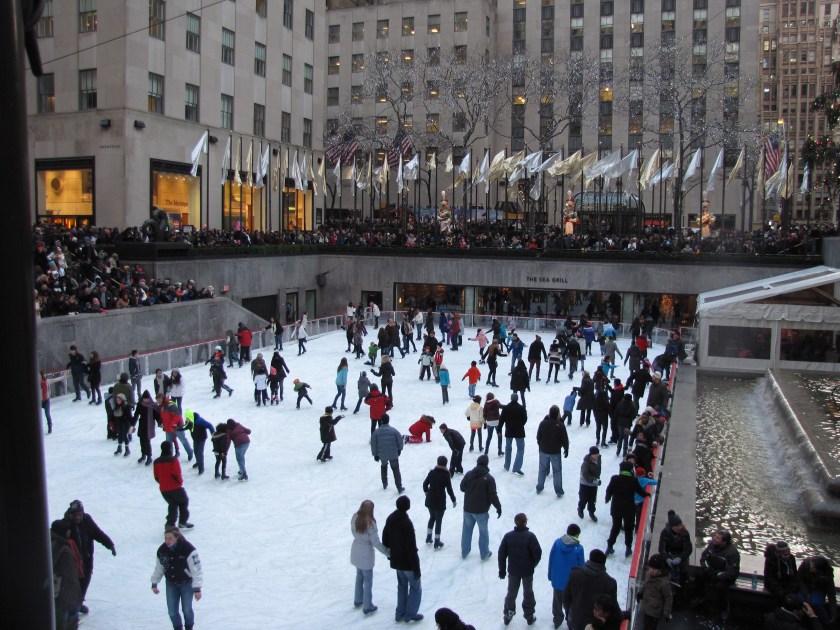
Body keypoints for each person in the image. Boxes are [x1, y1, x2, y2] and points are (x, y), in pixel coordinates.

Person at [63, 500, 115, 615]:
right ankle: (73, 610)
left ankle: (78, 603)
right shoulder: (66, 524)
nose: (77, 518)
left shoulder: (87, 521)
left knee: (84, 584)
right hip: (73, 563)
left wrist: (109, 544)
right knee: (73, 586)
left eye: (79, 515)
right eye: (75, 515)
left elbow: (97, 533)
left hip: (86, 560)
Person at [151, 526, 203, 630]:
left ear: (177, 537)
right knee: (172, 612)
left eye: (170, 538)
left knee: (187, 609)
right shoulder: (162, 551)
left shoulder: (188, 549)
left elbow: (196, 570)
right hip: (171, 584)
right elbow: (159, 567)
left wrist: (197, 589)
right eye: (165, 538)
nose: (167, 541)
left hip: (186, 583)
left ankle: (189, 627)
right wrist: (154, 583)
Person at [382, 496, 423, 623]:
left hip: (397, 562)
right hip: (407, 563)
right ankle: (409, 614)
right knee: (415, 588)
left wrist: (390, 553)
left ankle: (399, 613)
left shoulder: (390, 518)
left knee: (402, 586)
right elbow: (411, 548)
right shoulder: (406, 523)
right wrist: (416, 568)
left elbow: (385, 538)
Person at [499, 513, 542, 627]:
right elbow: (537, 553)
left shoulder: (508, 536)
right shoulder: (530, 536)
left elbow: (501, 554)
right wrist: (532, 564)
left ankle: (508, 614)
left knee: (511, 593)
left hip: (513, 570)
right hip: (527, 571)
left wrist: (502, 569)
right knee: (528, 593)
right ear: (525, 522)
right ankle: (529, 615)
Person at [351, 500, 390, 617]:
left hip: (356, 550)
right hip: (366, 555)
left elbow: (353, 532)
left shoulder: (355, 517)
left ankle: (358, 599)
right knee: (367, 580)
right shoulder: (370, 524)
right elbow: (376, 543)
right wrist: (388, 553)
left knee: (359, 575)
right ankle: (367, 606)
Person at [460, 454, 502, 560]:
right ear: (486, 464)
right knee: (483, 532)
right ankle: (484, 553)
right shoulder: (489, 478)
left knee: (466, 531)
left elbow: (462, 487)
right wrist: (498, 507)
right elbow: (493, 495)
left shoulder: (469, 474)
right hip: (481, 511)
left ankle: (464, 551)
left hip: (468, 509)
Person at [692, 529, 741, 620]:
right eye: (715, 536)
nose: (714, 538)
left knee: (720, 587)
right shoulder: (712, 545)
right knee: (699, 575)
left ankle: (723, 608)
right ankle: (699, 597)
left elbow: (732, 572)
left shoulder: (732, 553)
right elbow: (703, 557)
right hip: (711, 571)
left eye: (718, 538)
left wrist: (718, 575)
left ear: (724, 542)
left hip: (724, 576)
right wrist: (706, 568)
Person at [604, 461, 650, 557]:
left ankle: (609, 546)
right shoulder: (633, 480)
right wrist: (647, 494)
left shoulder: (615, 478)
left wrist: (607, 498)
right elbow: (640, 491)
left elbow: (609, 490)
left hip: (616, 508)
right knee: (629, 529)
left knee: (615, 527)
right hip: (629, 508)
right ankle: (628, 548)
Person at [563, 549, 617, 630]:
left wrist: (569, 614)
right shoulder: (609, 583)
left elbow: (566, 598)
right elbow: (612, 609)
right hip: (594, 625)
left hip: (574, 620)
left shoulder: (574, 573)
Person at [548, 523, 585, 629]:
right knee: (571, 602)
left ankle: (557, 619)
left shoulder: (557, 543)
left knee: (557, 599)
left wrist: (550, 574)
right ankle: (570, 620)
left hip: (557, 578)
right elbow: (581, 566)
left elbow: (551, 558)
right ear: (576, 535)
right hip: (571, 582)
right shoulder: (579, 549)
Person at [51, 519, 84, 629]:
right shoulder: (59, 547)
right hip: (64, 594)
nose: (70, 532)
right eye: (68, 530)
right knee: (64, 622)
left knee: (70, 620)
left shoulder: (63, 545)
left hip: (70, 592)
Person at [153, 442, 193, 529]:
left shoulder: (156, 461)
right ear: (170, 449)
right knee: (183, 501)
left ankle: (170, 524)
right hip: (175, 487)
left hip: (163, 489)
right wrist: (179, 482)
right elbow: (176, 473)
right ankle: (182, 521)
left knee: (172, 504)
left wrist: (162, 483)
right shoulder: (173, 459)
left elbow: (156, 476)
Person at [423, 455, 457, 549]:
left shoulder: (432, 472)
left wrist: (426, 492)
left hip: (430, 499)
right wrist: (453, 499)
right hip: (440, 501)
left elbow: (425, 484)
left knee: (432, 517)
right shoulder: (446, 475)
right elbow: (449, 489)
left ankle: (429, 536)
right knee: (438, 521)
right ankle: (437, 541)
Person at [536, 404, 570, 497]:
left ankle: (539, 486)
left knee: (542, 469)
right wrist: (566, 449)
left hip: (544, 450)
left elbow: (538, 436)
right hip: (555, 452)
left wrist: (541, 445)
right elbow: (564, 439)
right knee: (557, 471)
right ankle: (558, 490)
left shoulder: (543, 423)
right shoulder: (560, 425)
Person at [658, 509, 693, 598]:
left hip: (680, 558)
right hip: (669, 557)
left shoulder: (685, 533)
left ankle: (680, 594)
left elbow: (688, 549)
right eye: (676, 525)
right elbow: (661, 549)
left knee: (683, 574)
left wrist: (680, 558)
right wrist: (667, 559)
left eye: (680, 525)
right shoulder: (665, 533)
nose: (679, 527)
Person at [797, 556, 838, 627]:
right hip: (805, 587)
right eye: (811, 566)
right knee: (799, 599)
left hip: (818, 589)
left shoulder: (827, 573)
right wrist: (806, 593)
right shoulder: (805, 564)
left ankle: (826, 623)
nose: (811, 568)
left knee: (816, 603)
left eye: (813, 568)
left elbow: (831, 593)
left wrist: (834, 614)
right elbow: (799, 580)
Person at [637, 554, 673, 630]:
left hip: (655, 611)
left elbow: (668, 597)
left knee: (650, 627)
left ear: (660, 570)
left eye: (654, 569)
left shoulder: (664, 583)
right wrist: (640, 593)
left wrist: (666, 612)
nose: (651, 570)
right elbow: (645, 585)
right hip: (647, 605)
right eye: (650, 568)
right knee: (646, 624)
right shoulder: (648, 574)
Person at [371, 413, 404, 492]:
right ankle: (399, 487)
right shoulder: (394, 430)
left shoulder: (376, 432)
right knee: (396, 469)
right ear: (388, 420)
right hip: (393, 454)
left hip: (382, 454)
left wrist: (375, 454)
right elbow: (400, 441)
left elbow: (374, 444)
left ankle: (384, 483)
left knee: (384, 467)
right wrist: (399, 449)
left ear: (381, 421)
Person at [501, 393, 527, 475]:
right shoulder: (521, 408)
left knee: (508, 448)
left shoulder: (506, 408)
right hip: (519, 431)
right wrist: (520, 424)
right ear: (517, 399)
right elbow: (525, 419)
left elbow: (502, 419)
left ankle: (507, 465)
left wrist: (499, 429)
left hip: (509, 430)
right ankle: (516, 467)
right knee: (520, 449)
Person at [183, 409, 214, 475]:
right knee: (196, 451)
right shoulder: (189, 422)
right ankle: (198, 462)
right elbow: (184, 427)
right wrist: (176, 428)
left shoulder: (200, 421)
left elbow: (209, 425)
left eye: (187, 417)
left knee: (200, 453)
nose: (186, 419)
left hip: (202, 439)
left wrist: (213, 434)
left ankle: (201, 468)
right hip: (195, 439)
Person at [577, 446, 602, 523]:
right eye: (595, 454)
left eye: (597, 454)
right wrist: (594, 480)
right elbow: (585, 475)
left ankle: (591, 512)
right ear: (591, 455)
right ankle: (580, 508)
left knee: (592, 500)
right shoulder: (586, 463)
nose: (596, 456)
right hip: (585, 484)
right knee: (583, 498)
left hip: (593, 485)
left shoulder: (599, 460)